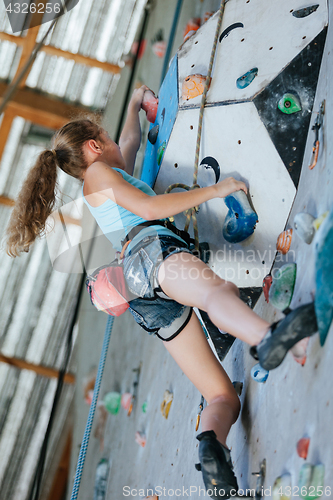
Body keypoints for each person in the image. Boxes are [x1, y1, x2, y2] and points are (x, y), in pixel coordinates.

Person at [6, 85, 318, 499]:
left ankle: (213, 451)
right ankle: (267, 339)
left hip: (144, 294)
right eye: (110, 139)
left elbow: (130, 143)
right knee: (215, 291)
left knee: (222, 395)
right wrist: (215, 190)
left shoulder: (104, 178)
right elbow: (151, 210)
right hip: (152, 254)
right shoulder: (102, 176)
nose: (122, 142)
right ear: (96, 146)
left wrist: (136, 103)